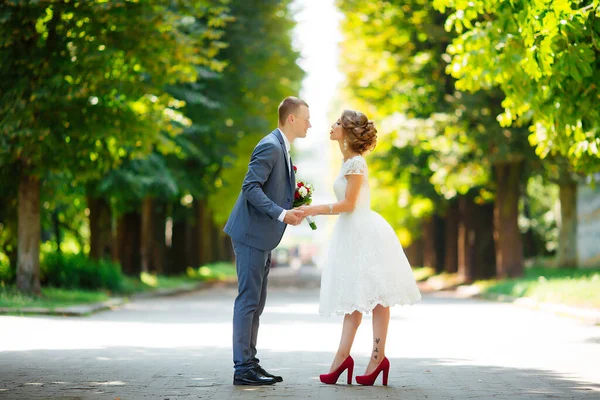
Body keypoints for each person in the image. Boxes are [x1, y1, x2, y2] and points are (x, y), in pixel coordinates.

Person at [298, 109, 421, 386]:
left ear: (348, 131)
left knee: (377, 296)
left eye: (338, 123)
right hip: (349, 233)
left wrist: (312, 210)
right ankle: (342, 358)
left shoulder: (356, 164)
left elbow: (349, 205)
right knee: (353, 298)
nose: (332, 125)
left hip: (364, 233)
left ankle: (378, 357)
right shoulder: (346, 163)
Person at [223, 96, 310, 386]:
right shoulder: (271, 146)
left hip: (261, 237)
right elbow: (250, 187)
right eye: (306, 118)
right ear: (291, 119)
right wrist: (281, 213)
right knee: (248, 300)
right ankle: (242, 368)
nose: (310, 123)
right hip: (250, 234)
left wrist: (292, 205)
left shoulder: (281, 148)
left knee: (256, 303)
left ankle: (250, 362)